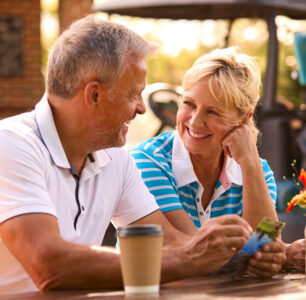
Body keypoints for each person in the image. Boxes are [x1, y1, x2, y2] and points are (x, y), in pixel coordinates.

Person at [0, 15, 285, 295]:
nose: (142, 108)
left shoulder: (115, 158)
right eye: (133, 94)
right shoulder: (10, 144)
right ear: (95, 95)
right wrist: (214, 256)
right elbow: (49, 266)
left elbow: (173, 243)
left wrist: (271, 253)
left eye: (213, 111)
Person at [132, 47, 305, 270]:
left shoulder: (258, 171)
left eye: (213, 112)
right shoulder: (147, 161)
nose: (194, 122)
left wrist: (250, 163)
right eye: (188, 104)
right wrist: (283, 254)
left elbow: (265, 245)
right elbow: (193, 253)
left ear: (244, 120)